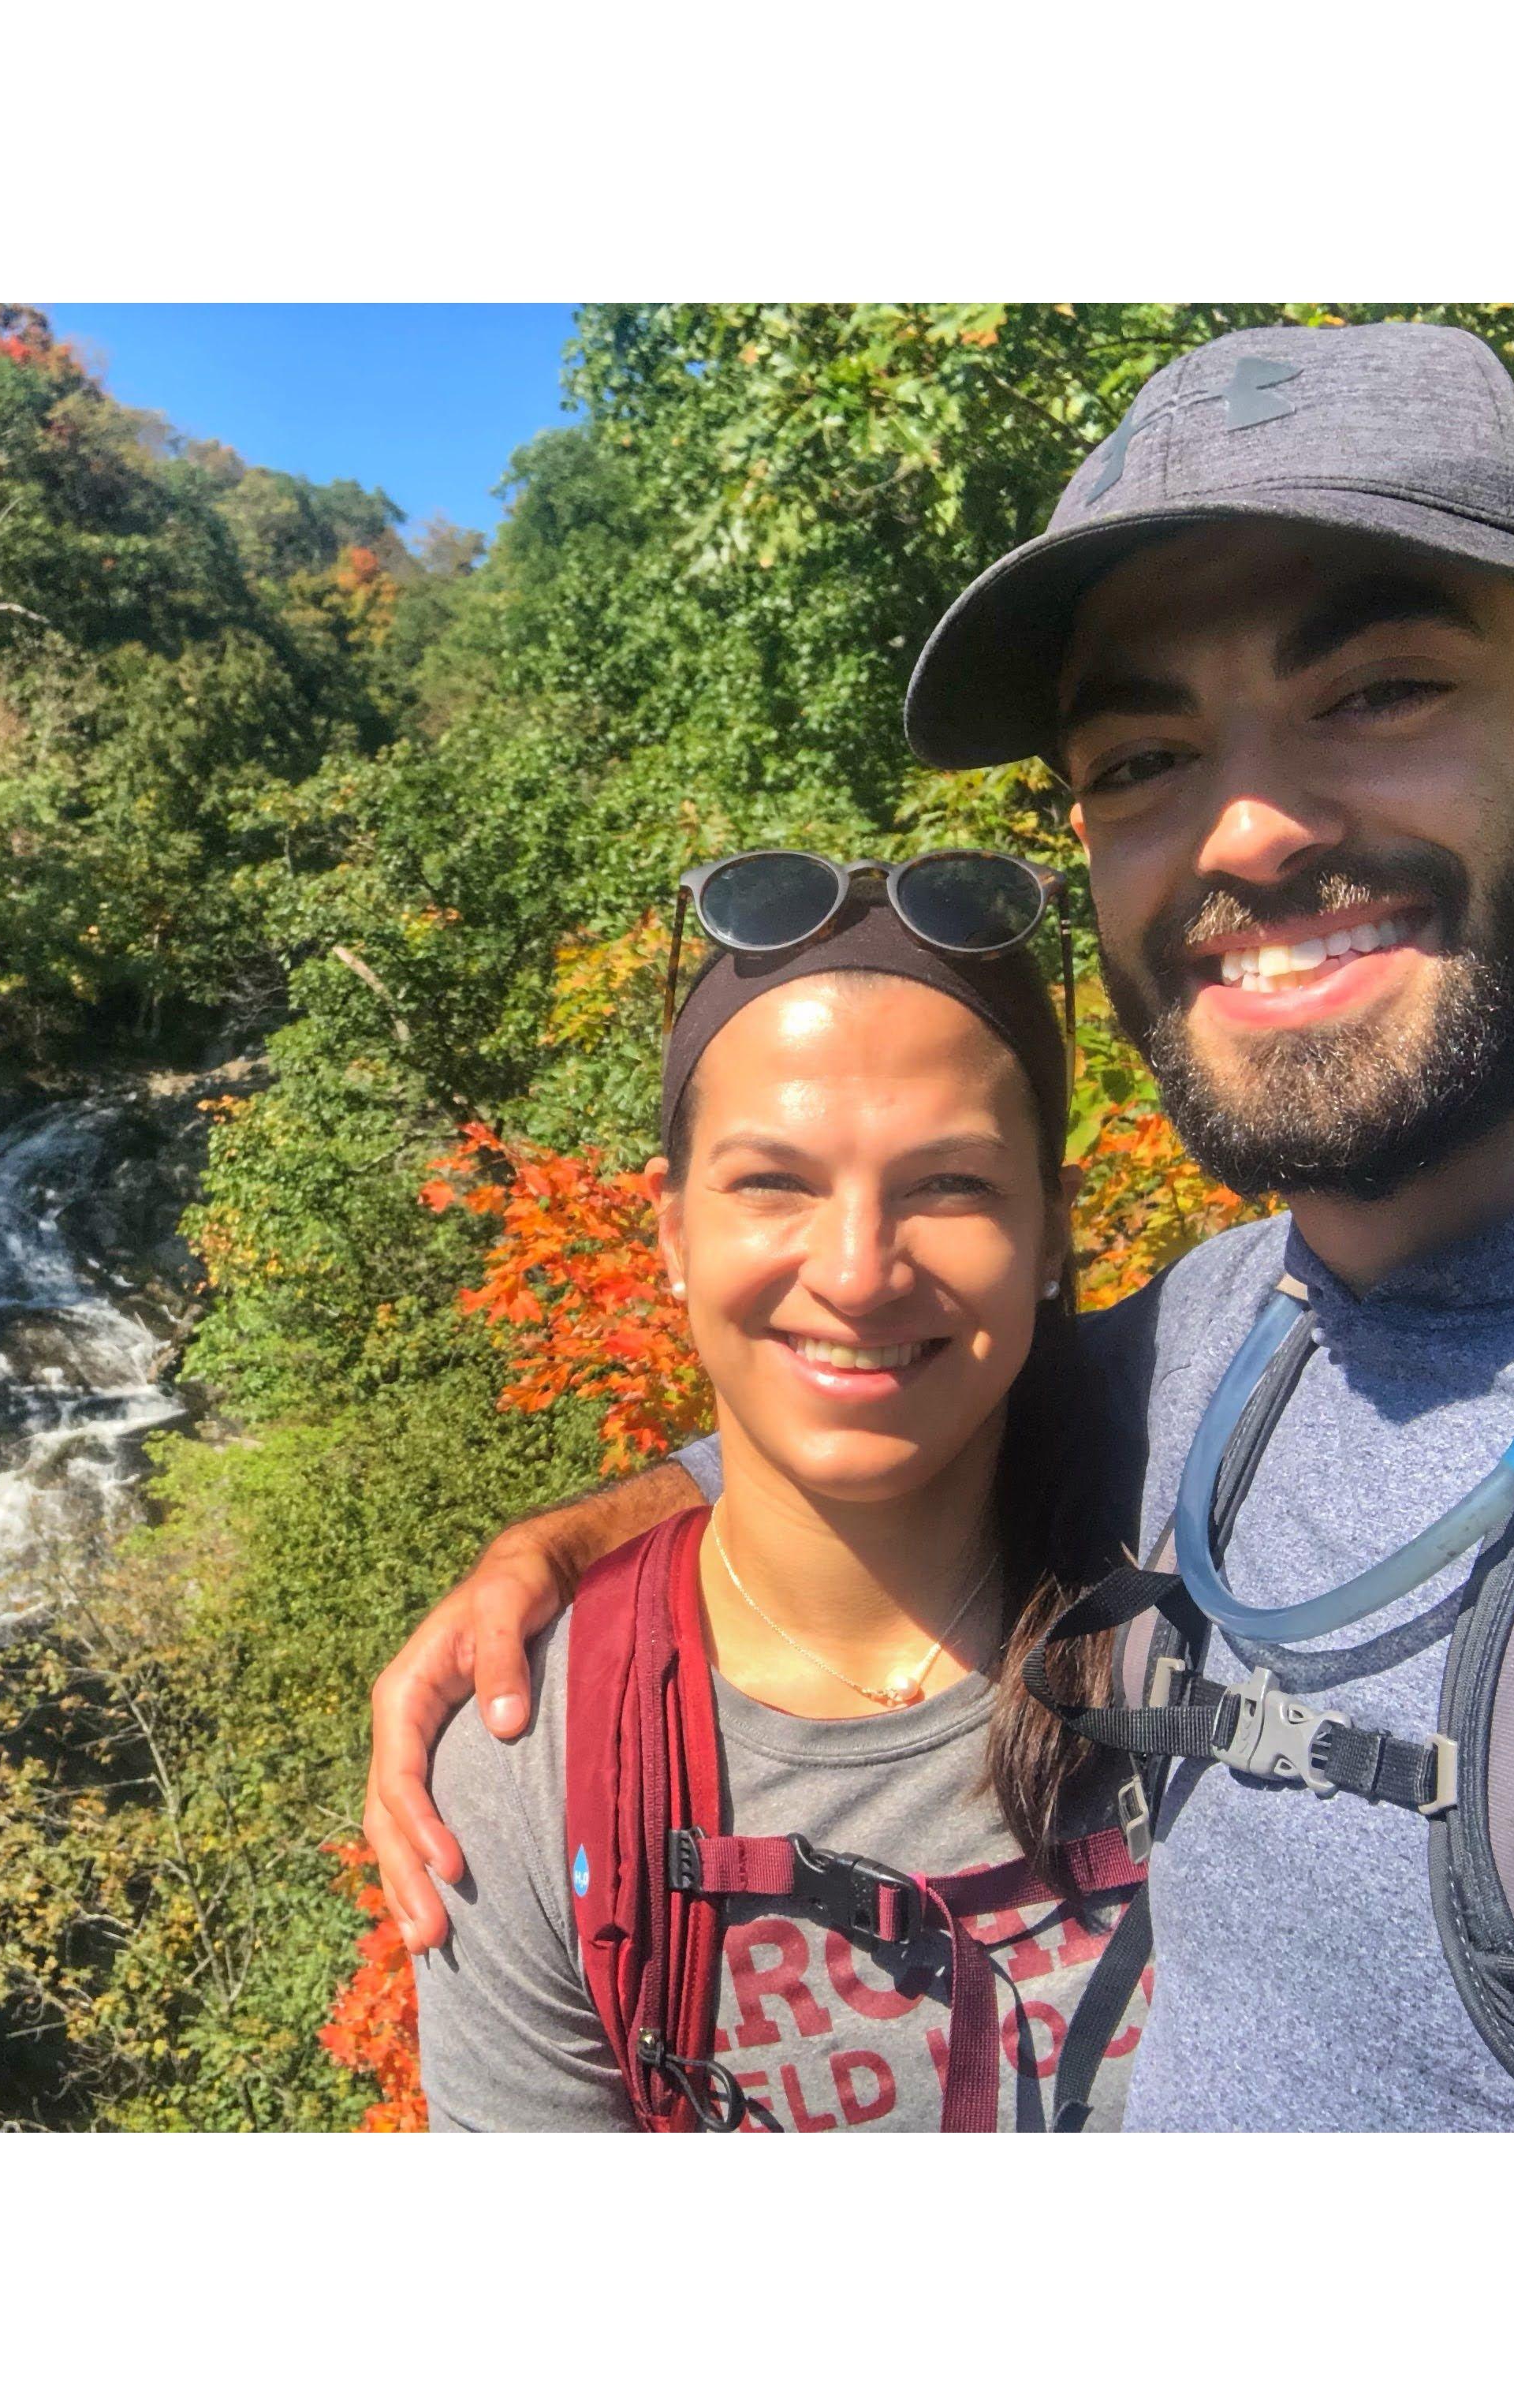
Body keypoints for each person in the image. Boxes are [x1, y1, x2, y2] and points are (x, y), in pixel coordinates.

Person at [370, 319, 1514, 2132]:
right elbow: (880, 1371)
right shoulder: (1233, 1337)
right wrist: (566, 1549)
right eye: (1141, 752)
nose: (1246, 828)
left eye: (1376, 690)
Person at [416, 885, 1149, 2132]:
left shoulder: (1224, 1557)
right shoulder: (540, 1764)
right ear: (671, 1228)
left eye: (952, 1185)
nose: (858, 1271)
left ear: (1050, 1231)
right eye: (773, 1182)